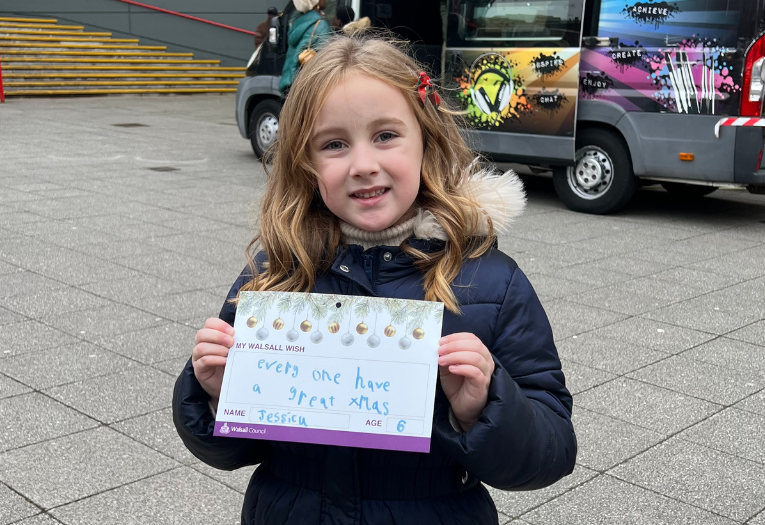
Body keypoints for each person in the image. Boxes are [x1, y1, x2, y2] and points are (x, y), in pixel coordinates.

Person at [173, 34, 577, 525]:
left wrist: (483, 406)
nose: (364, 165)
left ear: (426, 138)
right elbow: (229, 452)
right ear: (306, 161)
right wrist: (215, 394)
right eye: (334, 144)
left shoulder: (492, 282)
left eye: (386, 135)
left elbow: (551, 451)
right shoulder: (275, 273)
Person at [278, 0, 331, 93]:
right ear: (315, 2)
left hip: (290, 81)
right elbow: (326, 60)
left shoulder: (297, 22)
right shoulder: (321, 25)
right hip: (307, 86)